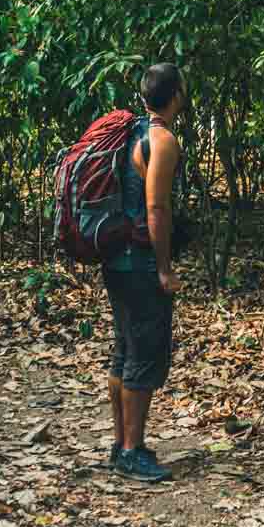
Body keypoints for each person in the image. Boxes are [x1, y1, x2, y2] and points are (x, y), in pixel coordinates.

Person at [104, 62, 184, 482]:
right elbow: (156, 207)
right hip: (139, 261)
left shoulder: (130, 132)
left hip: (115, 258)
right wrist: (165, 269)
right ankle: (132, 451)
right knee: (142, 354)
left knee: (124, 350)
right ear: (175, 96)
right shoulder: (162, 140)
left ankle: (122, 445)